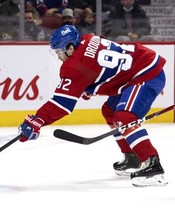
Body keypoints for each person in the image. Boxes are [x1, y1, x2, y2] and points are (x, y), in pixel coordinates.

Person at [18, 25, 168, 187]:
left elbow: (62, 104)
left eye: (59, 52)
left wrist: (37, 120)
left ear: (69, 48)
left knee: (125, 117)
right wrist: (89, 87)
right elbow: (100, 65)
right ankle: (133, 157)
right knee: (109, 111)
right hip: (139, 67)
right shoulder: (89, 38)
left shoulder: (73, 66)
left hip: (146, 75)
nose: (58, 56)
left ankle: (153, 166)